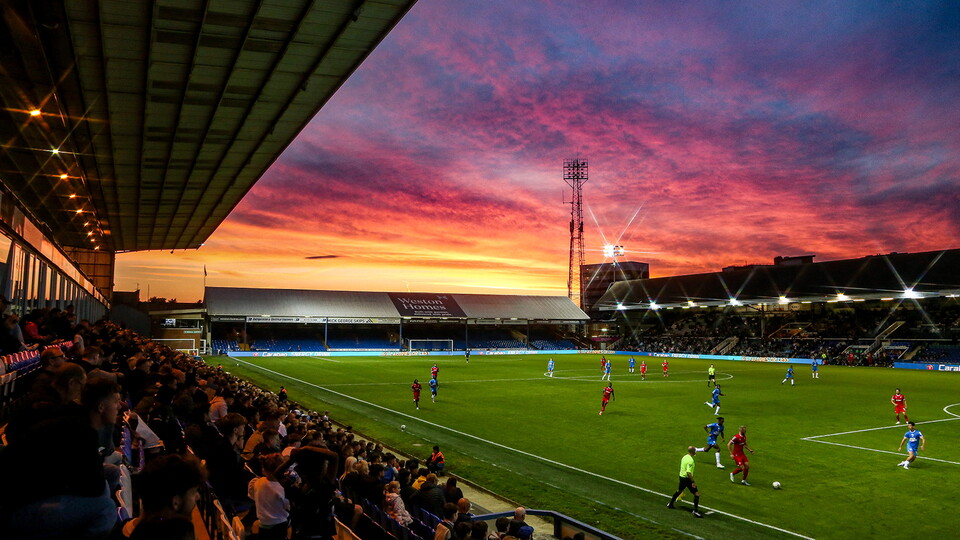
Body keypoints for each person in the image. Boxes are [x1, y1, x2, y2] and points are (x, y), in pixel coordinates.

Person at [666, 446, 703, 518]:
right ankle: (695, 511)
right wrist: (693, 482)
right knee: (697, 494)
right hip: (687, 478)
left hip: (681, 477)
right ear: (693, 452)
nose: (696, 452)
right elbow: (689, 472)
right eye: (695, 450)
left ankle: (670, 504)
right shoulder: (691, 461)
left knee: (679, 491)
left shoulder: (685, 457)